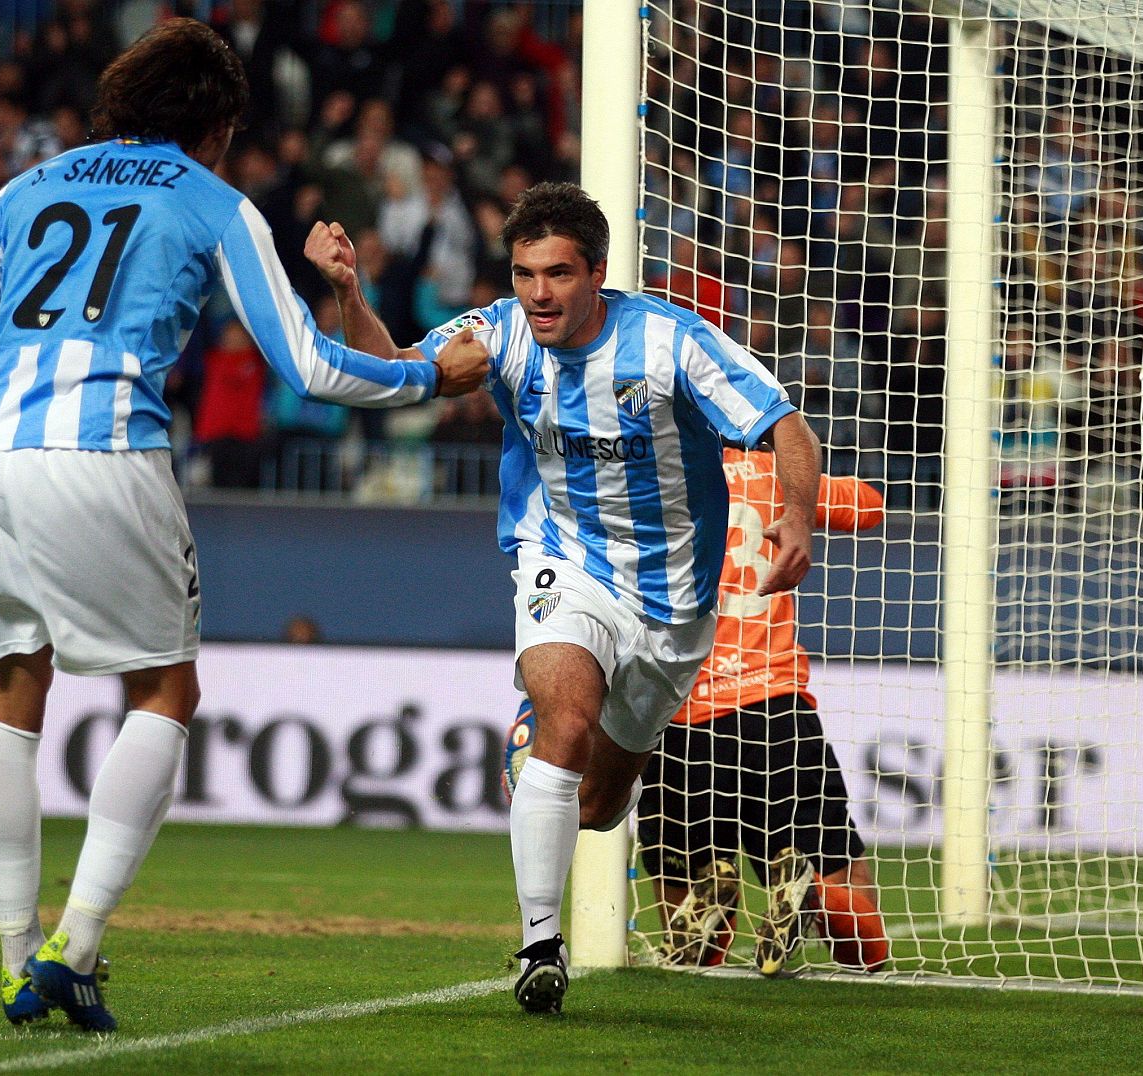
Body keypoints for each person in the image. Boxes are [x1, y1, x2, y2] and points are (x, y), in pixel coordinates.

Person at [0, 19, 491, 1034]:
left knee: (12, 690)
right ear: (220, 124)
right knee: (164, 686)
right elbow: (310, 367)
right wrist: (430, 373)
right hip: (103, 452)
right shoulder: (212, 201)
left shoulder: (31, 184)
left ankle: (19, 957)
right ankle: (74, 945)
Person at [307, 181, 821, 1015]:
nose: (538, 294)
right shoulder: (499, 335)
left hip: (674, 602)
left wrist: (797, 516)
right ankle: (541, 945)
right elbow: (395, 372)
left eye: (557, 274)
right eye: (523, 273)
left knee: (599, 799)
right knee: (567, 720)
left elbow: (784, 425)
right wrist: (347, 292)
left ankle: (539, 746)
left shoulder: (670, 344)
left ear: (598, 272)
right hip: (563, 561)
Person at [638, 445, 889, 976]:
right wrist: (798, 496)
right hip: (773, 712)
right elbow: (870, 507)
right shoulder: (776, 474)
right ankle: (816, 895)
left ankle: (711, 904)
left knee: (680, 909)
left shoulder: (640, 471)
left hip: (676, 717)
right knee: (848, 882)